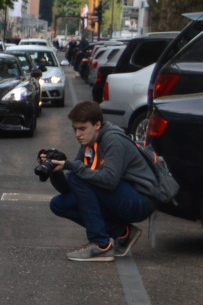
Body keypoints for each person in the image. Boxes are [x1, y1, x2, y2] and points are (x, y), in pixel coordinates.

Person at [43, 101, 159, 261]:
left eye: (82, 128)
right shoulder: (88, 143)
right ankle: (122, 232)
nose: (78, 134)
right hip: (119, 196)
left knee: (78, 175)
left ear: (97, 124)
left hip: (141, 200)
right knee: (59, 204)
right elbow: (70, 188)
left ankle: (101, 245)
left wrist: (71, 166)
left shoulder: (113, 140)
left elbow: (109, 180)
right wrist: (55, 170)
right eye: (75, 129)